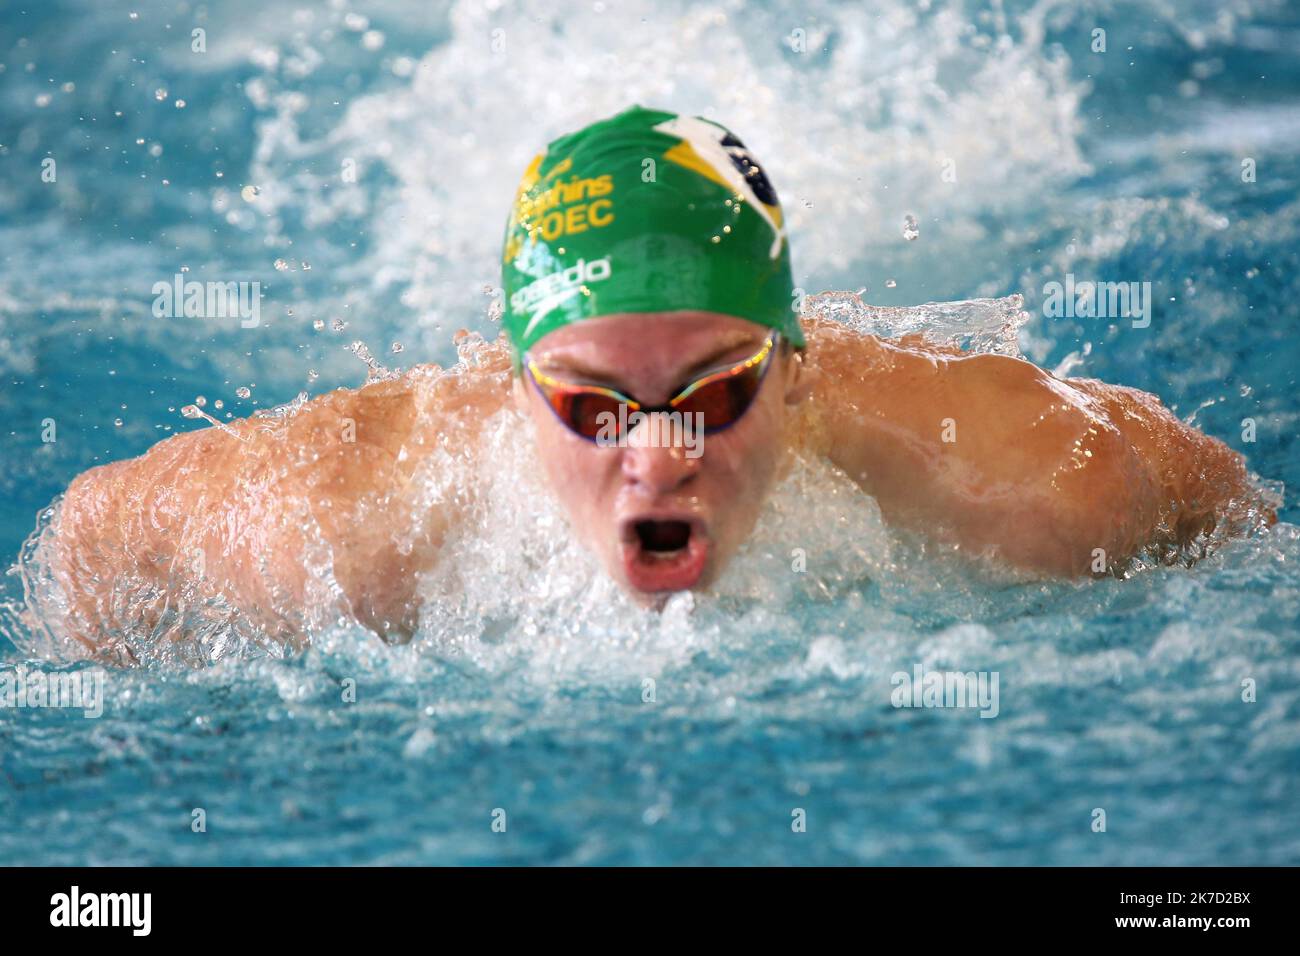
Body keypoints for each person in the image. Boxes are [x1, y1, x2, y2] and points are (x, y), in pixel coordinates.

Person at [42, 105, 1265, 662]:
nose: (657, 453)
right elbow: (90, 540)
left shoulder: (1034, 479)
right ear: (513, 387)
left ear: (792, 370)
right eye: (589, 403)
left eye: (713, 388)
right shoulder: (345, 519)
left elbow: (1242, 527)